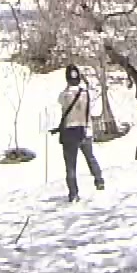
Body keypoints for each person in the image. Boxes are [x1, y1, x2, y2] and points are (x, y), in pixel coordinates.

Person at [53, 64, 104, 202]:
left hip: (69, 132)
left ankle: (73, 193)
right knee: (90, 157)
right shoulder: (86, 93)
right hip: (85, 129)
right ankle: (99, 180)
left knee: (70, 166)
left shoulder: (65, 95)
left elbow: (60, 102)